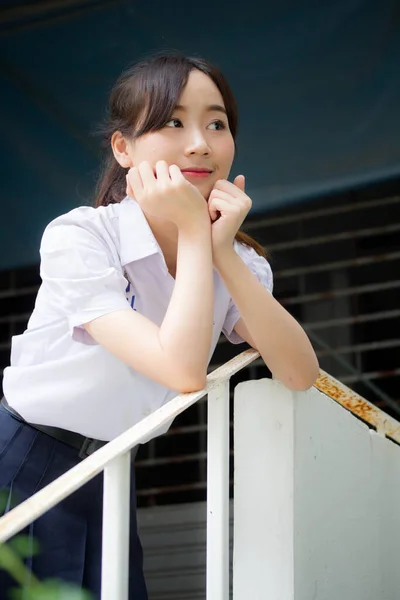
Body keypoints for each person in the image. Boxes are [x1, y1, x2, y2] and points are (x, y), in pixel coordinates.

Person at [0, 53, 319, 598]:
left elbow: (299, 372)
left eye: (216, 124)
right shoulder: (81, 237)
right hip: (22, 459)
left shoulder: (239, 261)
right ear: (123, 148)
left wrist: (222, 252)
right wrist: (196, 234)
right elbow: (182, 369)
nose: (199, 142)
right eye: (173, 122)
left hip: (109, 471)